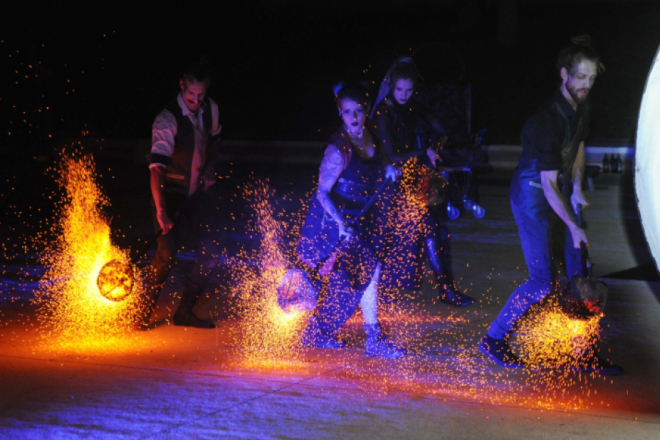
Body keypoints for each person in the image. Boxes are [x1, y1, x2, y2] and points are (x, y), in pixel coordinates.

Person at [478, 35, 622, 375]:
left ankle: (582, 353)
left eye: (591, 78)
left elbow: (578, 146)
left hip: (558, 188)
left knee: (579, 274)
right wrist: (573, 224)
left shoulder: (582, 105)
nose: (587, 85)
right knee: (542, 281)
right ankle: (494, 339)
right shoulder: (545, 120)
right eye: (580, 77)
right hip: (532, 197)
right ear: (564, 75)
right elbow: (545, 183)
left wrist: (577, 187)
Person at [298, 82, 405, 358]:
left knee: (358, 276)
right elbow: (322, 192)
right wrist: (340, 224)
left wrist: (389, 168)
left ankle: (318, 333)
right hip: (335, 218)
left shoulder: (370, 133)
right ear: (340, 113)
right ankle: (370, 338)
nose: (354, 117)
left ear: (366, 109)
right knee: (363, 273)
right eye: (348, 112)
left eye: (358, 110)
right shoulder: (337, 149)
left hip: (361, 215)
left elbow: (378, 161)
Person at [372, 57, 474, 307]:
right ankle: (441, 289)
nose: (404, 95)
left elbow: (442, 131)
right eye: (399, 90)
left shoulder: (412, 105)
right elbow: (393, 156)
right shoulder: (383, 113)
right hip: (386, 182)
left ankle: (444, 289)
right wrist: (423, 152)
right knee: (392, 234)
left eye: (408, 90)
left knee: (429, 226)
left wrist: (434, 145)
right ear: (391, 86)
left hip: (410, 177)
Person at [140, 61, 223, 329]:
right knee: (167, 252)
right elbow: (156, 171)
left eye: (200, 95)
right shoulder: (167, 120)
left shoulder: (211, 110)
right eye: (191, 95)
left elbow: (215, 142)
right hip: (168, 195)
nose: (195, 101)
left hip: (196, 196)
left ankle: (183, 312)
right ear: (182, 86)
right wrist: (161, 211)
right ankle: (140, 313)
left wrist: (209, 168)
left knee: (212, 251)